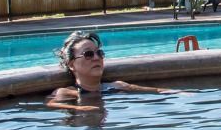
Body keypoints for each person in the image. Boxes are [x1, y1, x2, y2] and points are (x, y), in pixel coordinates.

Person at [47, 30, 177, 111]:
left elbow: (157, 91)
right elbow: (52, 104)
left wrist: (179, 92)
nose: (96, 58)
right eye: (88, 54)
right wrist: (79, 108)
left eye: (99, 53)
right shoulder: (67, 93)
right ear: (71, 64)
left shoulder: (117, 86)